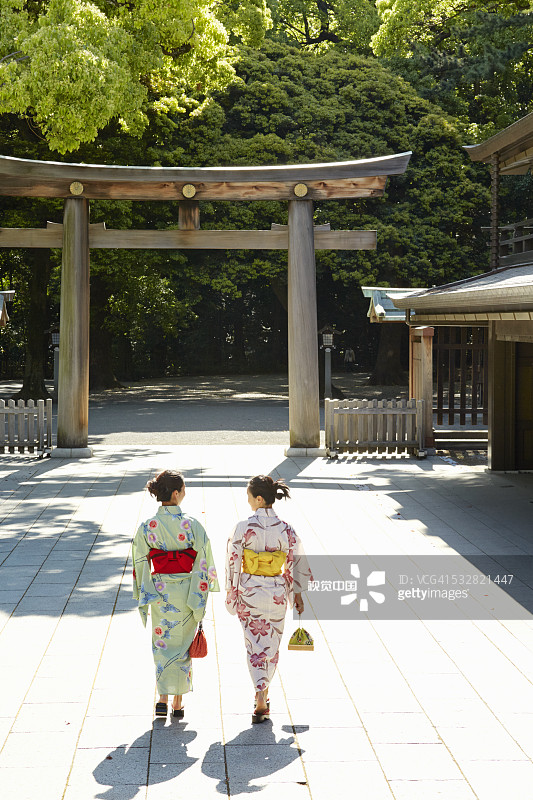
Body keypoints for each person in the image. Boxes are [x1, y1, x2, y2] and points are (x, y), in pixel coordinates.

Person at [225, 475, 313, 723]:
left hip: (249, 592)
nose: (247, 500)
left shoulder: (242, 527)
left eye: (249, 496)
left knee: (254, 645)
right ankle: (263, 693)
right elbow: (296, 561)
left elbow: (232, 562)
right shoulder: (287, 529)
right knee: (271, 646)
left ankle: (260, 694)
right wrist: (297, 594)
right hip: (276, 593)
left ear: (259, 498)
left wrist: (232, 593)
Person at [132, 469, 219, 718]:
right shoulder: (192, 525)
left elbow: (139, 559)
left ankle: (161, 699)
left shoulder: (148, 526)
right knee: (182, 645)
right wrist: (200, 594)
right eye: (184, 489)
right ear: (176, 493)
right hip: (187, 591)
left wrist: (146, 592)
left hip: (160, 592)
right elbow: (204, 560)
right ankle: (178, 703)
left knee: (162, 643)